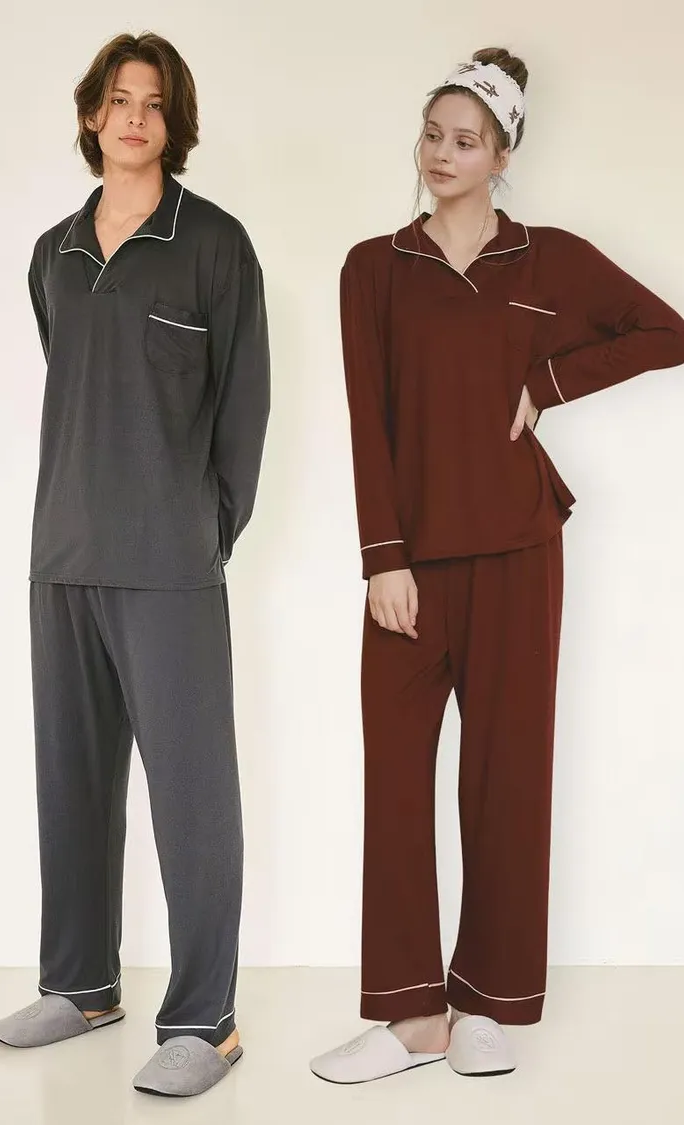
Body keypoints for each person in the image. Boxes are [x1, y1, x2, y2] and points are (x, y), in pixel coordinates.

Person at [310, 46, 684, 1083]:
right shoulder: (373, 268)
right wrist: (383, 559)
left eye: (466, 140)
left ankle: (489, 1003)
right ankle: (409, 1017)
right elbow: (370, 421)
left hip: (521, 550)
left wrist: (549, 381)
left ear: (503, 154)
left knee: (507, 780)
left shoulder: (546, 261)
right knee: (397, 782)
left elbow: (666, 330)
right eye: (432, 135)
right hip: (411, 569)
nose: (442, 154)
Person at [0, 31, 270, 1099]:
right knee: (71, 780)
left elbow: (244, 409)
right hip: (63, 551)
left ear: (173, 122)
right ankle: (80, 984)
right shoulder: (53, 253)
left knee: (193, 795)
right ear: (93, 115)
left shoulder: (216, 246)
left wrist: (203, 532)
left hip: (169, 563)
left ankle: (207, 1020)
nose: (134, 117)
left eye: (153, 102)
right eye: (118, 99)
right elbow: (78, 379)